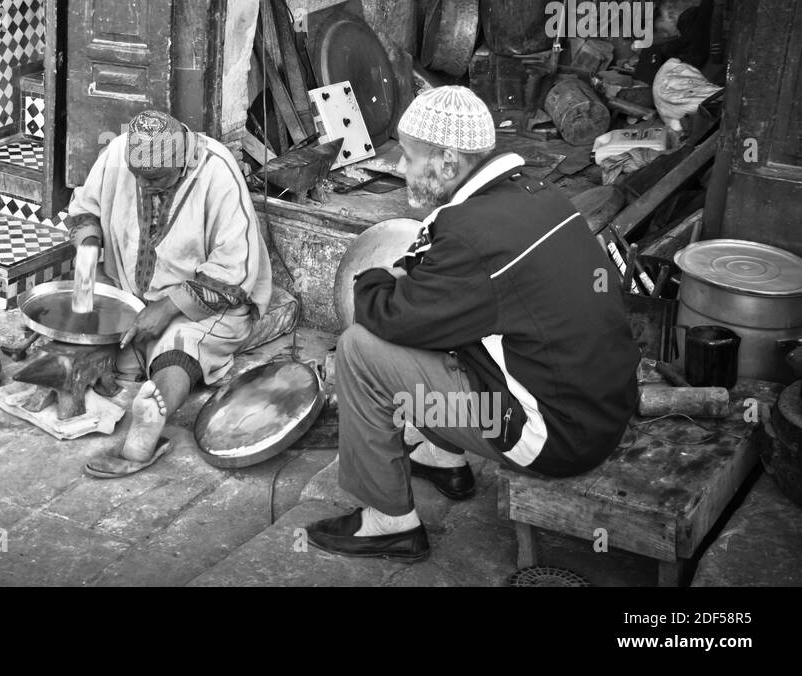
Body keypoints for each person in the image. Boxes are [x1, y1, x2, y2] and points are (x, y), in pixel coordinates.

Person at [305, 86, 640, 561]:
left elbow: (382, 314)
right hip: (601, 410)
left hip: (557, 437)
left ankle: (388, 523)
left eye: (408, 156)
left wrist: (377, 276)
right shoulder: (538, 192)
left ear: (446, 161)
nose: (400, 167)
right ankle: (445, 459)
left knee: (361, 349)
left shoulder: (470, 236)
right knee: (448, 323)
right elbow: (447, 304)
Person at [66, 110, 273, 478]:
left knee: (177, 348)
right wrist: (86, 285)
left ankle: (148, 424)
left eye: (156, 179)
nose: (145, 187)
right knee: (98, 353)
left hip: (207, 304)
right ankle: (131, 374)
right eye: (139, 178)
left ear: (180, 165)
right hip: (132, 296)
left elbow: (235, 271)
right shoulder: (119, 153)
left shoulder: (217, 172)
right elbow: (85, 213)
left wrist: (166, 307)